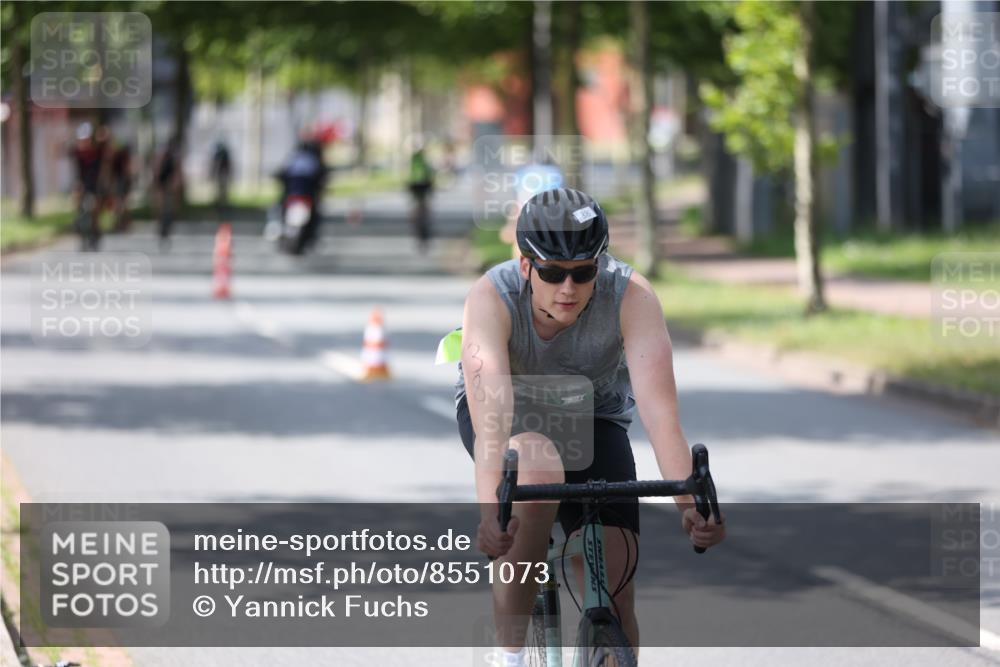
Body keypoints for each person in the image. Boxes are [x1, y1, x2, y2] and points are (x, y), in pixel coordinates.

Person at [455, 188, 726, 666]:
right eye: (553, 273)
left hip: (592, 414)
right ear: (524, 266)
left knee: (617, 590)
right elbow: (493, 420)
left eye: (583, 273)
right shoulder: (490, 297)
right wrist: (491, 514)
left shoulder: (631, 295)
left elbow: (661, 416)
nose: (568, 288)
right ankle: (509, 653)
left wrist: (690, 505)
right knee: (535, 471)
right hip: (513, 414)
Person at [70, 122, 104, 251]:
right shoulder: (77, 152)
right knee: (77, 202)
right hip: (81, 184)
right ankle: (79, 228)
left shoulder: (97, 152)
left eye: (87, 139)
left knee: (94, 207)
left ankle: (96, 231)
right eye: (82, 139)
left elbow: (103, 168)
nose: (84, 142)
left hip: (94, 184)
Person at [154, 136, 183, 250]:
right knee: (162, 208)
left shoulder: (174, 157)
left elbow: (177, 172)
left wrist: (176, 185)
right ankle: (162, 229)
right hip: (163, 185)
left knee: (169, 208)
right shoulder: (163, 156)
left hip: (169, 185)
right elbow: (157, 172)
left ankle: (166, 229)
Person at [407, 143, 435, 253]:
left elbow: (410, 173)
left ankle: (415, 220)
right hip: (424, 185)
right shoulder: (424, 159)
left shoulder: (414, 158)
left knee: (416, 204)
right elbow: (429, 173)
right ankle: (425, 218)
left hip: (415, 185)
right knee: (425, 204)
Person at [109, 140, 133, 233]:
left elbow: (127, 170)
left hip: (122, 181)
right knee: (120, 204)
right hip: (119, 181)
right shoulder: (116, 157)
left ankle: (124, 222)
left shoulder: (122, 157)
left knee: (122, 203)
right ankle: (120, 223)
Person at [209, 140, 232, 217]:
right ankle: (220, 206)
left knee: (222, 192)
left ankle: (222, 206)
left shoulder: (222, 154)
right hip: (221, 174)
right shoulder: (220, 154)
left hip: (222, 174)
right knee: (220, 192)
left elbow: (217, 165)